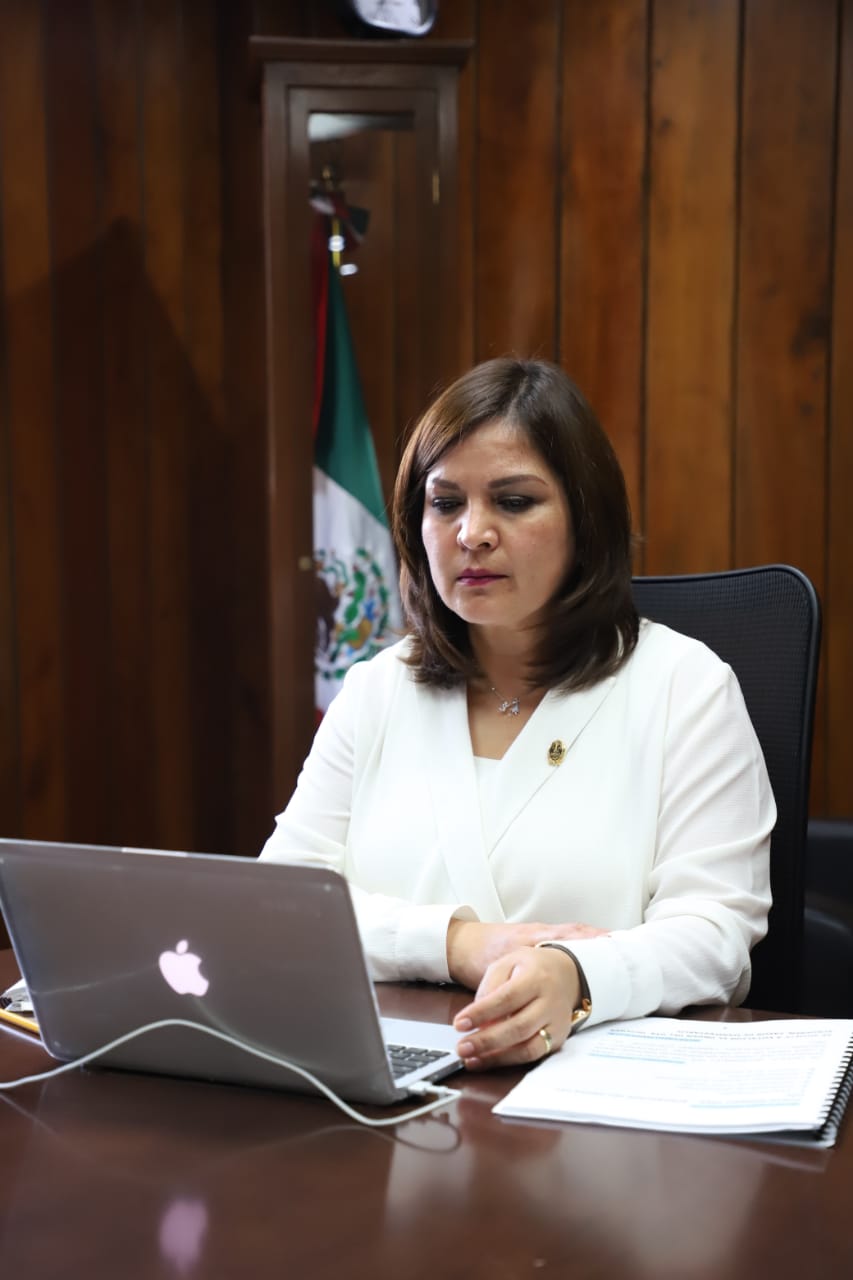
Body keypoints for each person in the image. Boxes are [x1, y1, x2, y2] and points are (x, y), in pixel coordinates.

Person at [260, 357, 774, 1071]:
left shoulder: (684, 686)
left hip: (599, 1085)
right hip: (387, 1073)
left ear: (585, 520)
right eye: (445, 503)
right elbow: (279, 909)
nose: (472, 533)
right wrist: (457, 944)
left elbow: (715, 934)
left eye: (513, 501)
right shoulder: (377, 688)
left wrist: (576, 976)